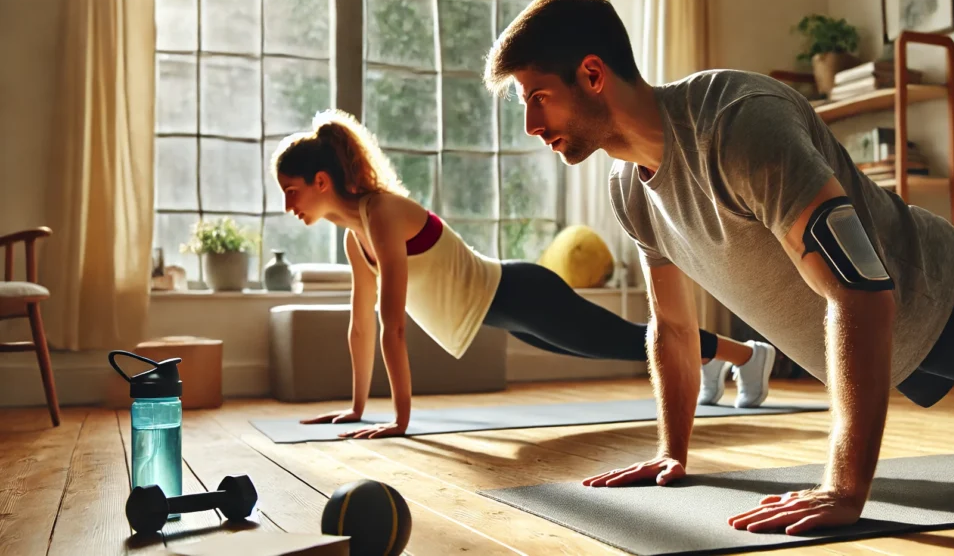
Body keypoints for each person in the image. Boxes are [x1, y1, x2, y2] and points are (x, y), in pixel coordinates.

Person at [481, 0, 954, 536]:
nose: (533, 126)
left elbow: (858, 288)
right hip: (875, 344)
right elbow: (675, 327)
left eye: (539, 99)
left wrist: (843, 485)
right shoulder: (628, 189)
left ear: (591, 74)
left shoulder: (738, 124)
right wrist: (672, 451)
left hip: (933, 294)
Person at [269, 109, 779, 439]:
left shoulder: (380, 213)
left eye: (291, 190)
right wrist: (359, 410)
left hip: (520, 293)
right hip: (505, 311)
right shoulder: (353, 237)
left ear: (320, 180)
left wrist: (400, 422)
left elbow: (393, 324)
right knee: (620, 341)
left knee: (625, 341)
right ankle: (717, 360)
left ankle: (748, 356)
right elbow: (361, 325)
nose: (288, 204)